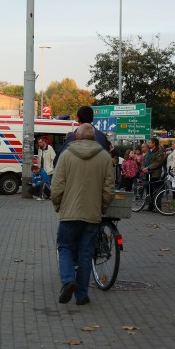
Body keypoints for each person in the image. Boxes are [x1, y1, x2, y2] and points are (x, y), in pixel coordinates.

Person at [51, 123, 114, 306]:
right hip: (92, 214)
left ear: (77, 137)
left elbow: (57, 187)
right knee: (86, 254)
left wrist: (58, 206)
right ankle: (81, 295)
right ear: (94, 138)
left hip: (69, 214)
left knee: (65, 248)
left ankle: (68, 279)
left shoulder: (66, 155)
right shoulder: (104, 157)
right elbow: (109, 189)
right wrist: (101, 208)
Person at [141, 137, 166, 210]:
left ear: (154, 144)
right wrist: (142, 168)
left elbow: (157, 163)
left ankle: (158, 207)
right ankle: (150, 206)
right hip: (147, 174)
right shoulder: (149, 152)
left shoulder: (159, 152)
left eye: (149, 142)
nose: (148, 144)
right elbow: (144, 160)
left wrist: (148, 168)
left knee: (156, 191)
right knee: (149, 191)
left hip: (155, 174)